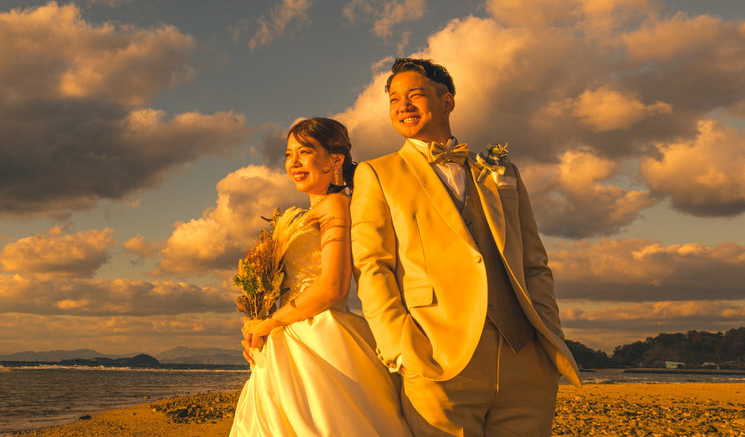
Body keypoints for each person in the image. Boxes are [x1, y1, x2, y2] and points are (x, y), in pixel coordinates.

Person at [350, 57, 581, 437]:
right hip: (437, 360)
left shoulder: (500, 171)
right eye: (393, 99)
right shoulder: (377, 173)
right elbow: (372, 266)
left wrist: (548, 337)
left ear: (447, 102)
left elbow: (534, 263)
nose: (402, 106)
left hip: (526, 363)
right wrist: (402, 349)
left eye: (415, 95)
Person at [230, 117, 411, 437]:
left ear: (335, 159)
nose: (294, 162)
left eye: (305, 151)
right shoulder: (310, 213)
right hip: (290, 336)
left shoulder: (336, 206)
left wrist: (271, 323)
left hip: (320, 337)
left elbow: (333, 285)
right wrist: (258, 323)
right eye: (288, 154)